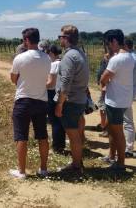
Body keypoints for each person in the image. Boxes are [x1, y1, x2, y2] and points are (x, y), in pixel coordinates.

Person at [9, 28, 51, 179]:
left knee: (21, 136)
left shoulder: (20, 58)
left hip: (23, 100)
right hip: (41, 100)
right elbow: (48, 77)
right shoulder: (47, 58)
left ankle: (21, 172)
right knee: (42, 136)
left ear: (26, 40)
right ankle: (44, 169)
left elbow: (13, 79)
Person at [54, 25, 89, 173]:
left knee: (72, 134)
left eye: (60, 37)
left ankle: (76, 166)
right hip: (80, 98)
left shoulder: (69, 57)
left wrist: (60, 104)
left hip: (70, 101)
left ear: (66, 39)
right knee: (76, 133)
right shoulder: (80, 53)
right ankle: (78, 161)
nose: (59, 40)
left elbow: (65, 82)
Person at [100, 29, 134, 171]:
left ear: (114, 41)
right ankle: (112, 156)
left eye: (108, 43)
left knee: (117, 132)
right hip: (123, 99)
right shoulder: (130, 56)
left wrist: (104, 84)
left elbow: (103, 78)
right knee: (111, 128)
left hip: (115, 100)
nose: (108, 46)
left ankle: (120, 163)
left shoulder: (116, 59)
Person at [123, 38, 136, 157]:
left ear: (125, 46)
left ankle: (128, 149)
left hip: (126, 91)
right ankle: (127, 147)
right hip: (131, 90)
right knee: (127, 120)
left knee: (127, 120)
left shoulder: (130, 58)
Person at [46, 44, 65, 154]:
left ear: (51, 53)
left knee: (54, 121)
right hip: (61, 93)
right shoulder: (63, 63)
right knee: (60, 120)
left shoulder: (53, 65)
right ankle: (61, 145)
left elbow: (50, 83)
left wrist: (38, 87)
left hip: (52, 93)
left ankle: (56, 147)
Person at [96, 47, 115, 137]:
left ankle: (106, 129)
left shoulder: (112, 62)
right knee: (103, 108)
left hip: (106, 88)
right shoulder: (107, 60)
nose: (106, 56)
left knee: (104, 108)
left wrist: (103, 85)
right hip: (105, 87)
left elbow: (106, 75)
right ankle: (104, 126)